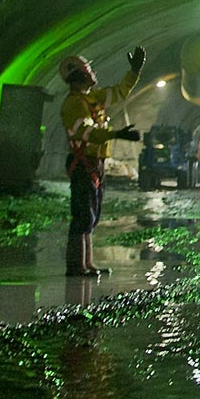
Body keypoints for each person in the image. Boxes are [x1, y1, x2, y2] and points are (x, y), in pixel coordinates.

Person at [59, 47, 145, 277]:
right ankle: (76, 266)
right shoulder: (73, 105)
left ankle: (88, 263)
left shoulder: (91, 98)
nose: (93, 73)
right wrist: (117, 134)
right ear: (78, 76)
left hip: (95, 162)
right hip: (83, 162)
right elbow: (87, 133)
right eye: (88, 70)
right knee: (83, 215)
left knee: (92, 215)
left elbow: (119, 92)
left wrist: (134, 71)